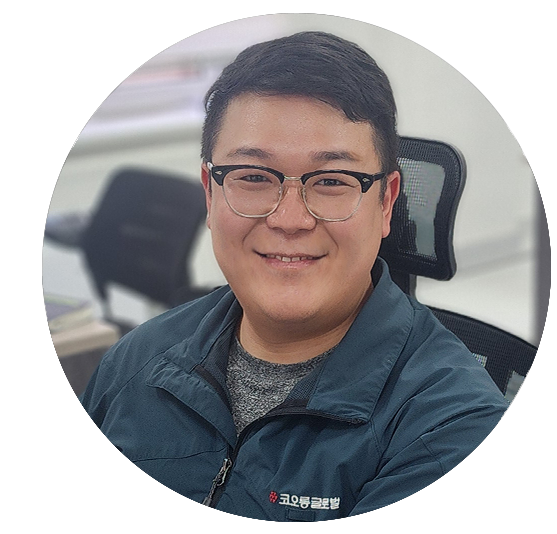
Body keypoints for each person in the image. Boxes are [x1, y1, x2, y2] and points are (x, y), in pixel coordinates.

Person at [81, 30, 508, 521]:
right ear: (210, 194)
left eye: (331, 181)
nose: (290, 219)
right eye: (253, 176)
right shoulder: (136, 361)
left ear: (386, 202)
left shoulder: (454, 434)